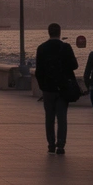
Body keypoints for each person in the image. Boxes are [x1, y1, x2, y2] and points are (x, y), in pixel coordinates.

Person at [33, 24, 78, 155]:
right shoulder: (66, 47)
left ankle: (51, 144)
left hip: (48, 88)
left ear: (48, 32)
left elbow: (38, 71)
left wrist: (42, 86)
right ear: (60, 32)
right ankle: (61, 145)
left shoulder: (41, 48)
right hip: (63, 88)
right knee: (62, 117)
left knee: (49, 117)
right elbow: (74, 66)